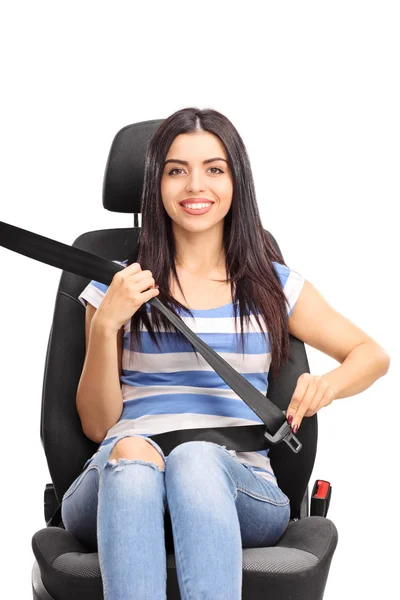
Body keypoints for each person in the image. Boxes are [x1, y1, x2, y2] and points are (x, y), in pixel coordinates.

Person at [61, 107, 390, 600]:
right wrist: (108, 320)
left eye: (214, 169)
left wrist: (328, 385)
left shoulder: (273, 286)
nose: (196, 186)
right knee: (131, 452)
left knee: (194, 460)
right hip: (121, 477)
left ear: (237, 181)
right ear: (156, 183)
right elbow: (96, 425)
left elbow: (372, 354)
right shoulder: (116, 284)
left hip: (238, 485)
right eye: (177, 170)